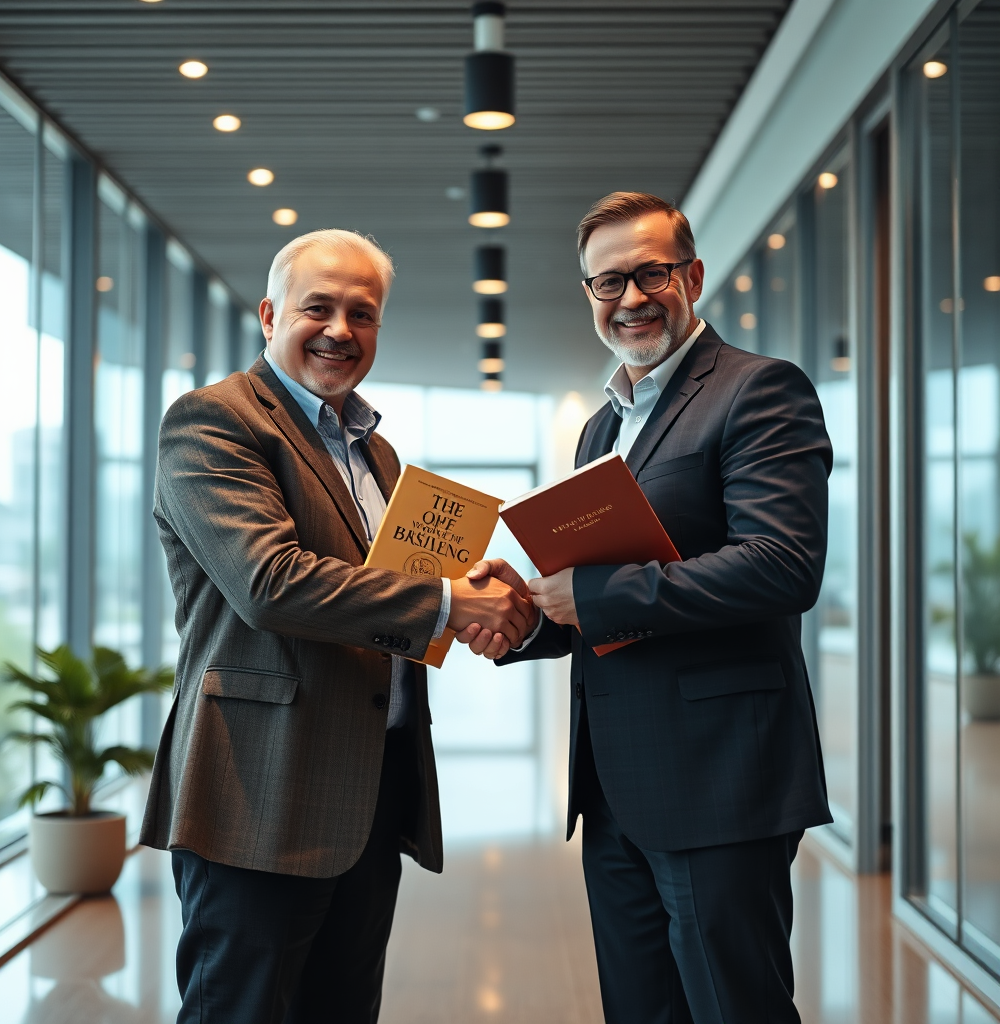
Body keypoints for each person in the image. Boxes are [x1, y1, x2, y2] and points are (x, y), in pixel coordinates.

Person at [140, 228, 535, 1024]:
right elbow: (269, 582)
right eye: (318, 307)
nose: (341, 330)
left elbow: (386, 595)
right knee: (241, 1010)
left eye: (364, 313)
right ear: (268, 314)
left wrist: (476, 594)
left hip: (369, 788)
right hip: (260, 788)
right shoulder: (213, 421)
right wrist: (455, 604)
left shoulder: (377, 453)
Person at [457, 192, 833, 1023]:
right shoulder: (602, 428)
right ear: (588, 295)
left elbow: (782, 566)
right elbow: (600, 590)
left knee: (735, 1007)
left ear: (692, 275)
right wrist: (522, 620)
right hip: (616, 785)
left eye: (651, 273)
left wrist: (589, 594)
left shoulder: (758, 392)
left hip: (721, 779)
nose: (630, 298)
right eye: (608, 282)